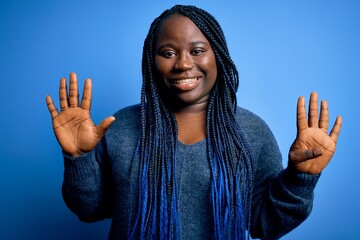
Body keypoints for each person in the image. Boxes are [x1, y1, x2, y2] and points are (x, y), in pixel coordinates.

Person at [46, 5, 342, 240]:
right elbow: (90, 210)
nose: (183, 63)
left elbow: (266, 226)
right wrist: (78, 157)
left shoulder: (252, 133)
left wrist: (298, 178)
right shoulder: (121, 126)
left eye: (197, 50)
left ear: (218, 58)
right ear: (152, 62)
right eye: (168, 52)